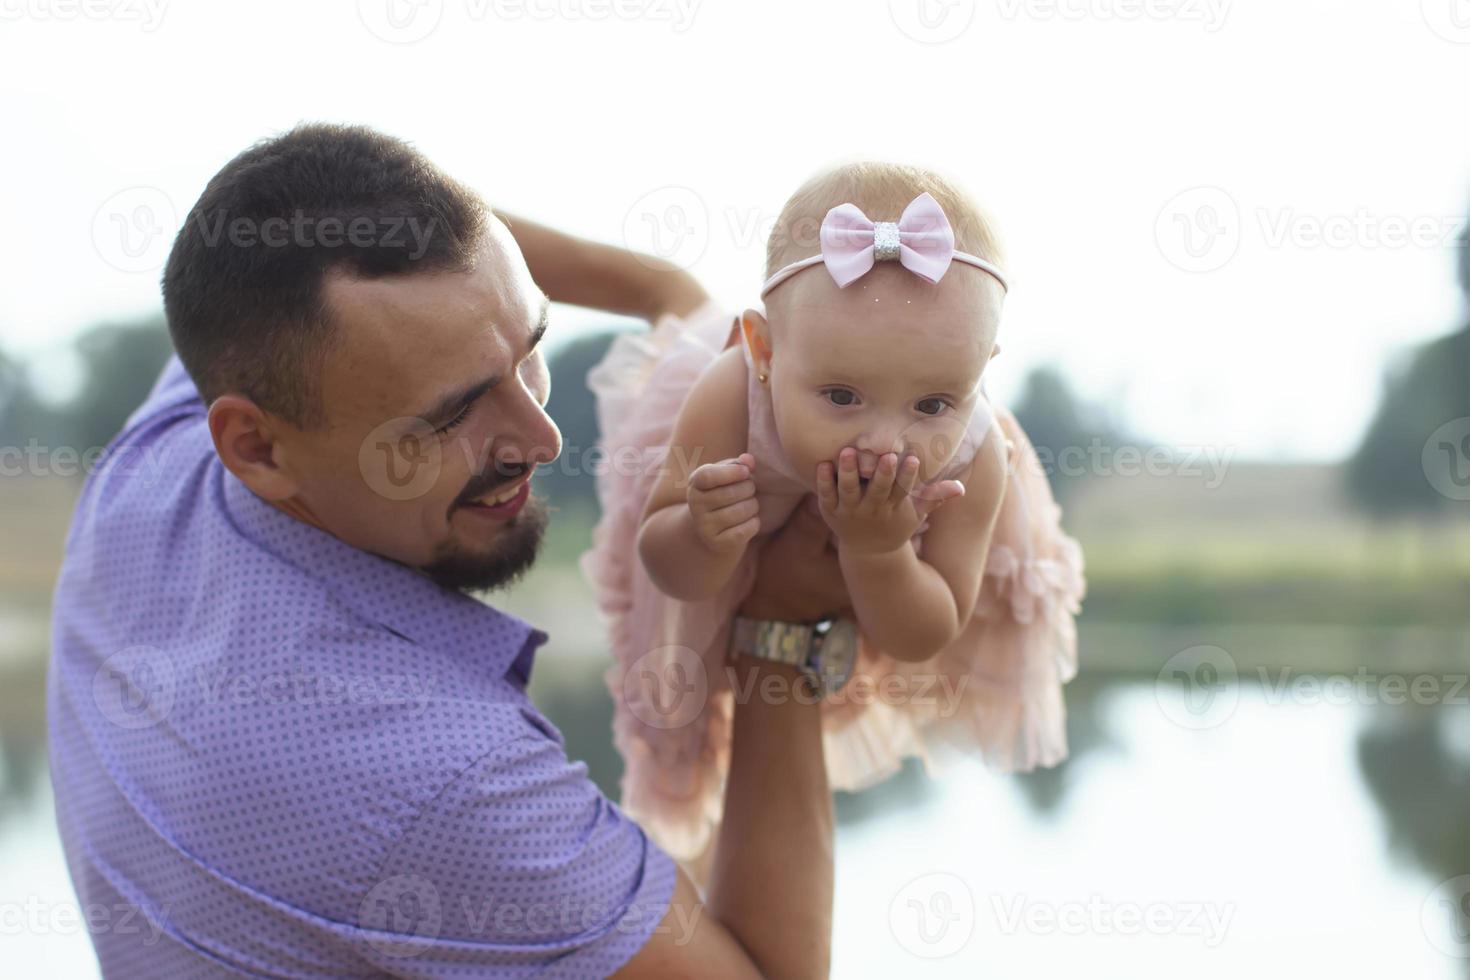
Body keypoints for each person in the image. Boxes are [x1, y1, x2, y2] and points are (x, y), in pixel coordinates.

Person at [48, 122, 844, 978]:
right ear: (258, 447)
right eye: (451, 414)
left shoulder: (157, 461)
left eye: (529, 348)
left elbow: (314, 223)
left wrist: (662, 292)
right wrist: (780, 628)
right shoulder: (437, 780)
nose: (541, 439)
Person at [582, 163, 1087, 863]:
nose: (884, 442)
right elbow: (671, 572)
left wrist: (878, 552)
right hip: (735, 560)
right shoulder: (731, 391)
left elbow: (926, 630)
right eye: (843, 397)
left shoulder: (975, 454)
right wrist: (701, 532)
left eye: (934, 405)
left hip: (902, 582)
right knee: (691, 682)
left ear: (981, 369)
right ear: (762, 349)